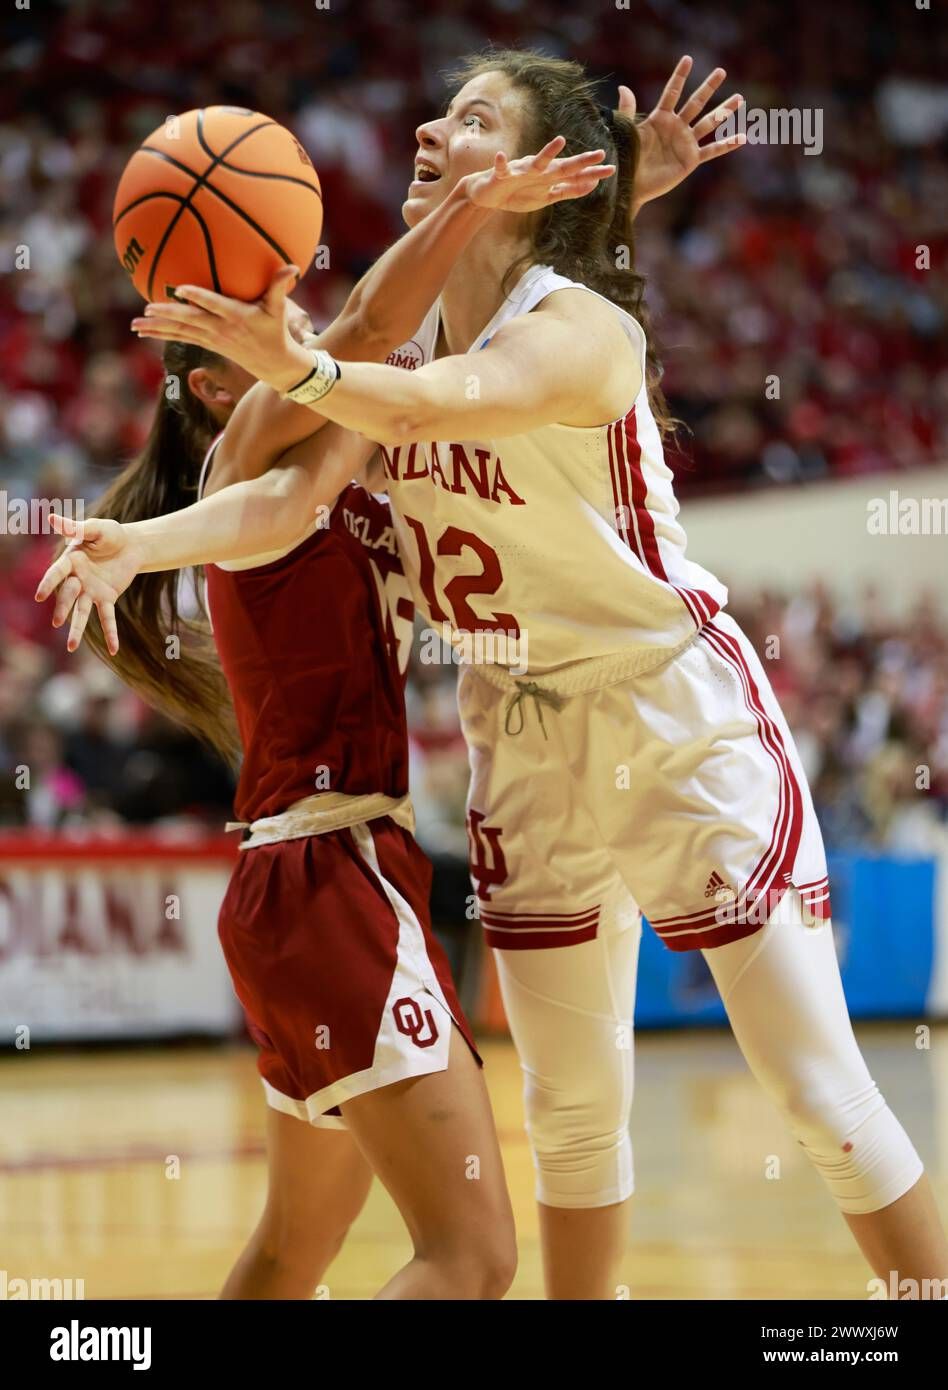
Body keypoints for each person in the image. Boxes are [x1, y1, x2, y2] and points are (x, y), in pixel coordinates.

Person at [49, 52, 947, 1303]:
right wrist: (156, 531)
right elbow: (310, 463)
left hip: (667, 705)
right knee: (572, 1116)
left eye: (470, 120)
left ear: (537, 177)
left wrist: (298, 364)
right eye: (441, 108)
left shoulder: (580, 328)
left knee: (819, 1090)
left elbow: (455, 391)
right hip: (517, 734)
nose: (428, 126)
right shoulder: (390, 339)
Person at [39, 132, 618, 1299]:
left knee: (290, 1251)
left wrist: (603, 188)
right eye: (268, 347)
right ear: (213, 388)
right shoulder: (242, 455)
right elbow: (350, 354)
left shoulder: (331, 455)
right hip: (330, 869)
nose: (298, 341)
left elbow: (371, 354)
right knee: (474, 1257)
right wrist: (460, 206)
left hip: (300, 886)